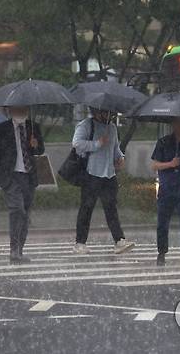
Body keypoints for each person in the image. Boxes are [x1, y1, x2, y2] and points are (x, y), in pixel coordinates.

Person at [72, 108, 135, 255]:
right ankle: (80, 243)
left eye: (110, 112)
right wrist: (97, 144)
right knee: (86, 208)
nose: (108, 115)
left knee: (111, 208)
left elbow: (115, 147)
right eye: (105, 112)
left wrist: (120, 157)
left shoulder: (112, 127)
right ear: (96, 111)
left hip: (109, 174)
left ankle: (119, 240)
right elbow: (76, 143)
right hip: (91, 173)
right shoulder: (86, 125)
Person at [0, 106, 44, 264]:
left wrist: (35, 145)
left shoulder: (33, 127)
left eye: (23, 108)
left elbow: (40, 150)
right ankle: (13, 249)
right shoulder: (2, 129)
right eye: (17, 109)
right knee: (17, 209)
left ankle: (19, 250)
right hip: (10, 176)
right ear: (11, 110)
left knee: (25, 214)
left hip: (29, 176)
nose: (21, 111)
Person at [151, 117, 180, 268]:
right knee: (162, 224)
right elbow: (155, 165)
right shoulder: (163, 142)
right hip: (167, 189)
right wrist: (170, 164)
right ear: (174, 125)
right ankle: (161, 253)